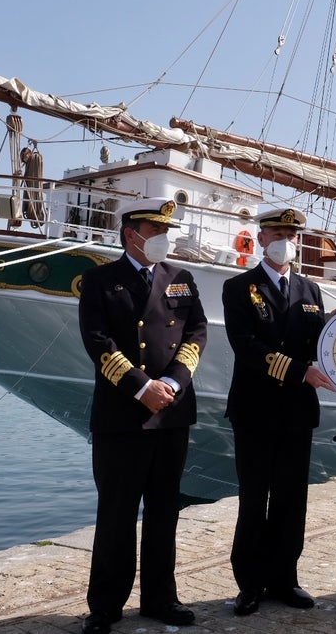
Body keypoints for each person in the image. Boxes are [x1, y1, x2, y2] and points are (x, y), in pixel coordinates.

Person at [77, 198, 208, 632]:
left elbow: (195, 335)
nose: (164, 239)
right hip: (122, 415)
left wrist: (170, 384)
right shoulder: (99, 280)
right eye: (156, 231)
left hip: (171, 413)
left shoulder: (181, 279)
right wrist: (142, 388)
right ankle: (105, 608)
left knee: (164, 511)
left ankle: (160, 598)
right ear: (131, 234)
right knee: (116, 514)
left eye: (166, 231)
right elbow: (98, 342)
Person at [222, 207, 336, 616]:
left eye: (291, 233)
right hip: (255, 409)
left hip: (297, 412)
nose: (285, 239)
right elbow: (246, 346)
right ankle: (250, 584)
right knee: (254, 498)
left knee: (291, 499)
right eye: (277, 231)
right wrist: (298, 371)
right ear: (262, 236)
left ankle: (285, 578)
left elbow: (317, 343)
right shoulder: (239, 287)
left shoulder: (309, 289)